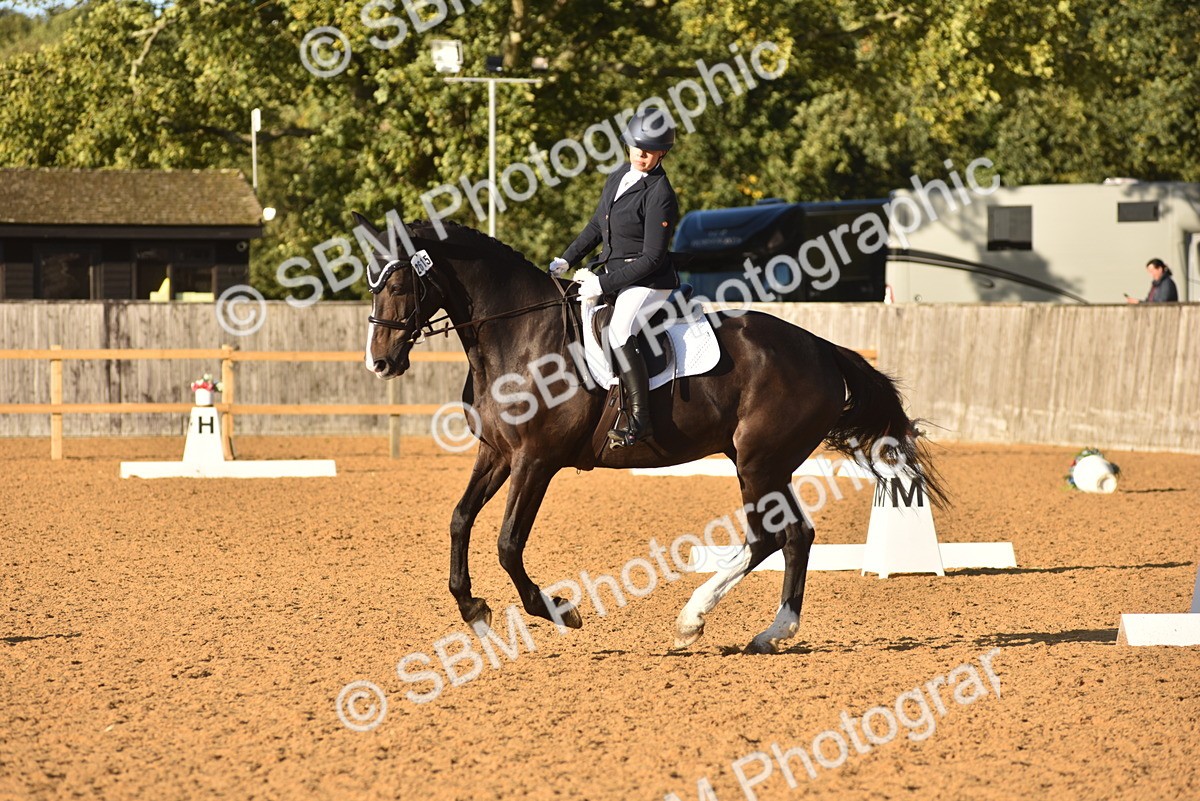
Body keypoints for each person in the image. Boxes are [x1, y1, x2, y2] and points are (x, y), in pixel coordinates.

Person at [549, 108, 680, 448]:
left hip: (649, 282)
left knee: (620, 330)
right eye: (637, 147)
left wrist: (602, 284)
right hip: (613, 273)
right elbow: (597, 225)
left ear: (662, 153)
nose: (641, 154)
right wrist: (567, 258)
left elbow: (652, 258)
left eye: (649, 151)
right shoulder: (619, 174)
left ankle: (640, 420)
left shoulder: (660, 194)